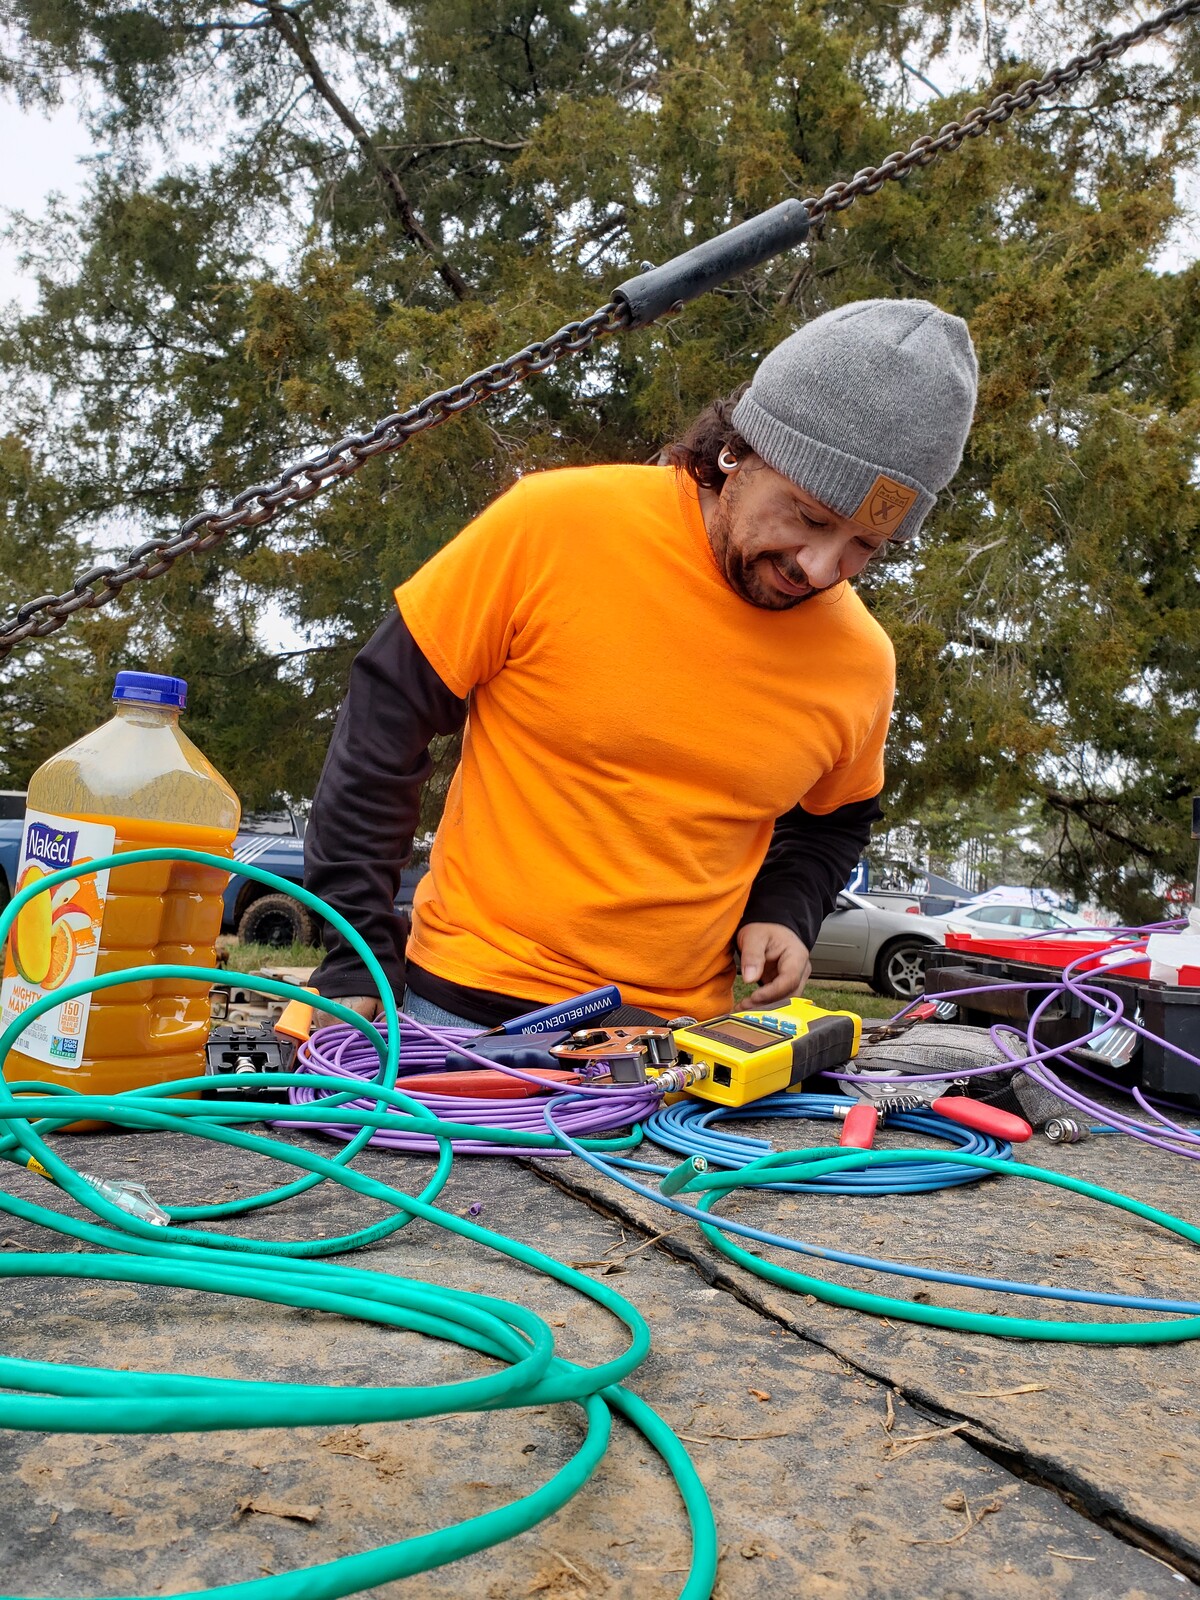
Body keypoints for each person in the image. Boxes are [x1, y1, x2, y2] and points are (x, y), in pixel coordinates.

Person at [304, 298, 978, 1030]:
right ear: (737, 452)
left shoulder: (862, 660)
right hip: (463, 1013)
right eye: (809, 516)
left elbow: (836, 822)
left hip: (676, 1049)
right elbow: (384, 719)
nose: (820, 567)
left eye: (864, 547)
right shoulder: (552, 525)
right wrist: (353, 953)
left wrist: (784, 911)